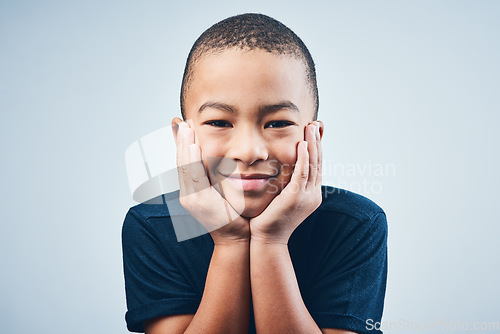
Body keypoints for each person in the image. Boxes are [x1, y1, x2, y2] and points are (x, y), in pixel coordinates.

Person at [122, 13, 387, 334]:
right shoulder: (152, 226)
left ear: (312, 137)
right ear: (183, 137)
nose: (249, 152)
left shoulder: (355, 224)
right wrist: (230, 241)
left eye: (278, 123)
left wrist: (271, 241)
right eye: (220, 123)